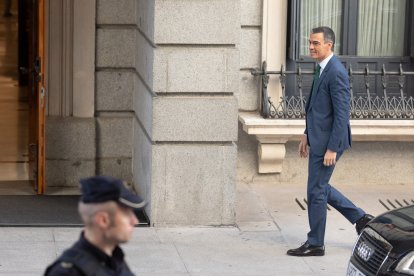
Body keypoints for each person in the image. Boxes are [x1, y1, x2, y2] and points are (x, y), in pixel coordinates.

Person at [286, 26, 373, 257]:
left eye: (316, 43)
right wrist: (306, 134)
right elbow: (316, 107)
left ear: (329, 45)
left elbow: (342, 115)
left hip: (329, 143)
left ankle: (315, 243)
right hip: (318, 138)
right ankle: (360, 218)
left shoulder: (336, 72)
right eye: (310, 43)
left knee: (316, 190)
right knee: (320, 187)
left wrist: (332, 148)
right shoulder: (322, 68)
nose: (311, 47)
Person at [44, 176, 146, 275]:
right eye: (127, 214)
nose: (135, 221)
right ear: (103, 220)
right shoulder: (67, 272)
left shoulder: (114, 257)